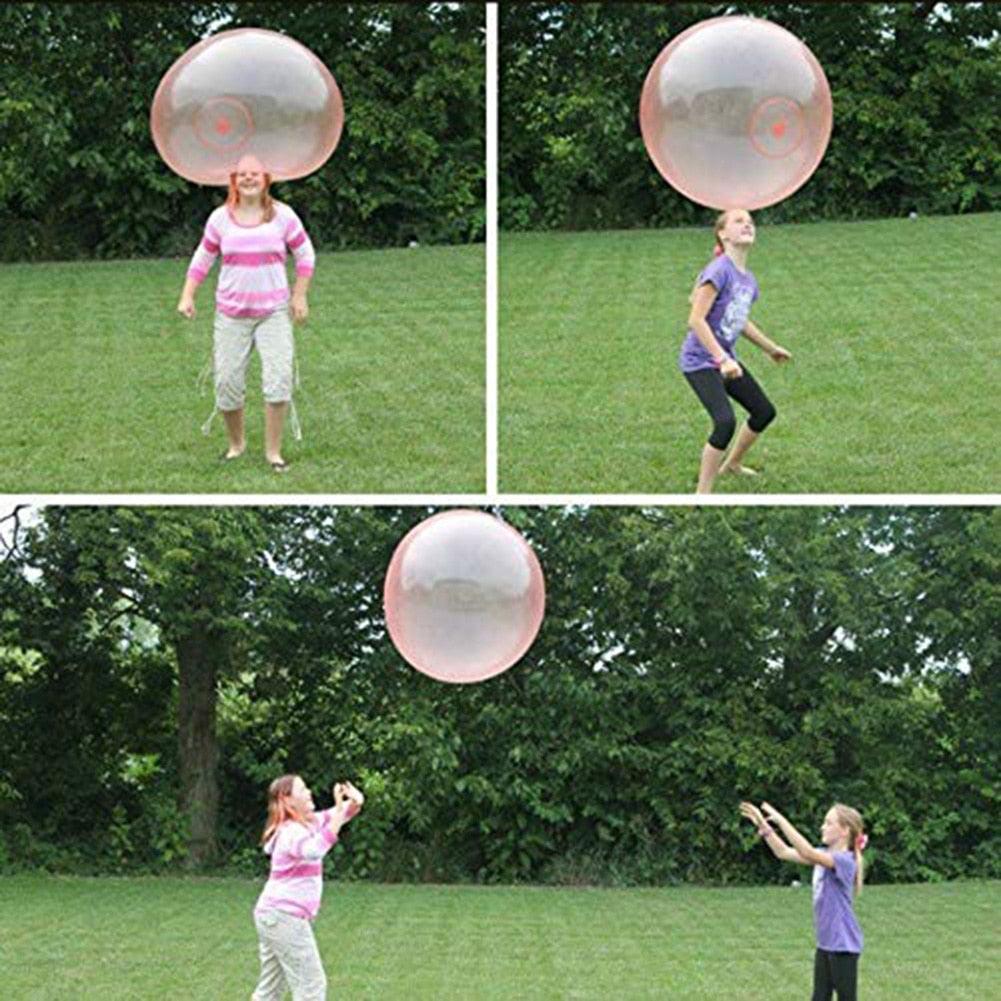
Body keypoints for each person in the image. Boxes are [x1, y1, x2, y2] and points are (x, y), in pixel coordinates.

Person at [177, 154, 315, 472]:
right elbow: (203, 258)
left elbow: (305, 254)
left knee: (279, 380)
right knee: (227, 383)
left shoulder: (283, 216)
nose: (248, 179)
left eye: (255, 173)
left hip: (274, 313)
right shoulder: (220, 219)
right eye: (242, 175)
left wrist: (300, 295)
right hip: (231, 315)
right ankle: (236, 445)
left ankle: (273, 453)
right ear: (234, 181)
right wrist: (187, 295)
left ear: (266, 179)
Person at [679, 208, 792, 493]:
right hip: (700, 361)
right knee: (724, 422)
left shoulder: (747, 280)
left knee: (763, 412)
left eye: (750, 222)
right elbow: (695, 318)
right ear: (723, 233)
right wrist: (722, 358)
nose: (747, 225)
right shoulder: (719, 271)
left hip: (726, 361)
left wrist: (771, 348)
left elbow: (739, 320)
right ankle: (702, 495)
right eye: (739, 221)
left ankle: (732, 464)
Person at [252, 774, 364, 1001]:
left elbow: (339, 816)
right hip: (284, 917)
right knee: (311, 986)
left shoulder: (308, 823)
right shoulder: (290, 832)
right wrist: (342, 809)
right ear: (287, 799)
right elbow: (314, 849)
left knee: (270, 990)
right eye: (302, 790)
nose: (309, 793)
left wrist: (355, 802)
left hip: (273, 916)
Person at [740, 800, 867, 1001]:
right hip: (826, 943)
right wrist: (763, 826)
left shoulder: (845, 860)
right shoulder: (824, 854)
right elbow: (783, 852)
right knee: (819, 997)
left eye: (828, 823)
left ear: (844, 830)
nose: (822, 827)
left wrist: (781, 820)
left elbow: (807, 851)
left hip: (843, 945)